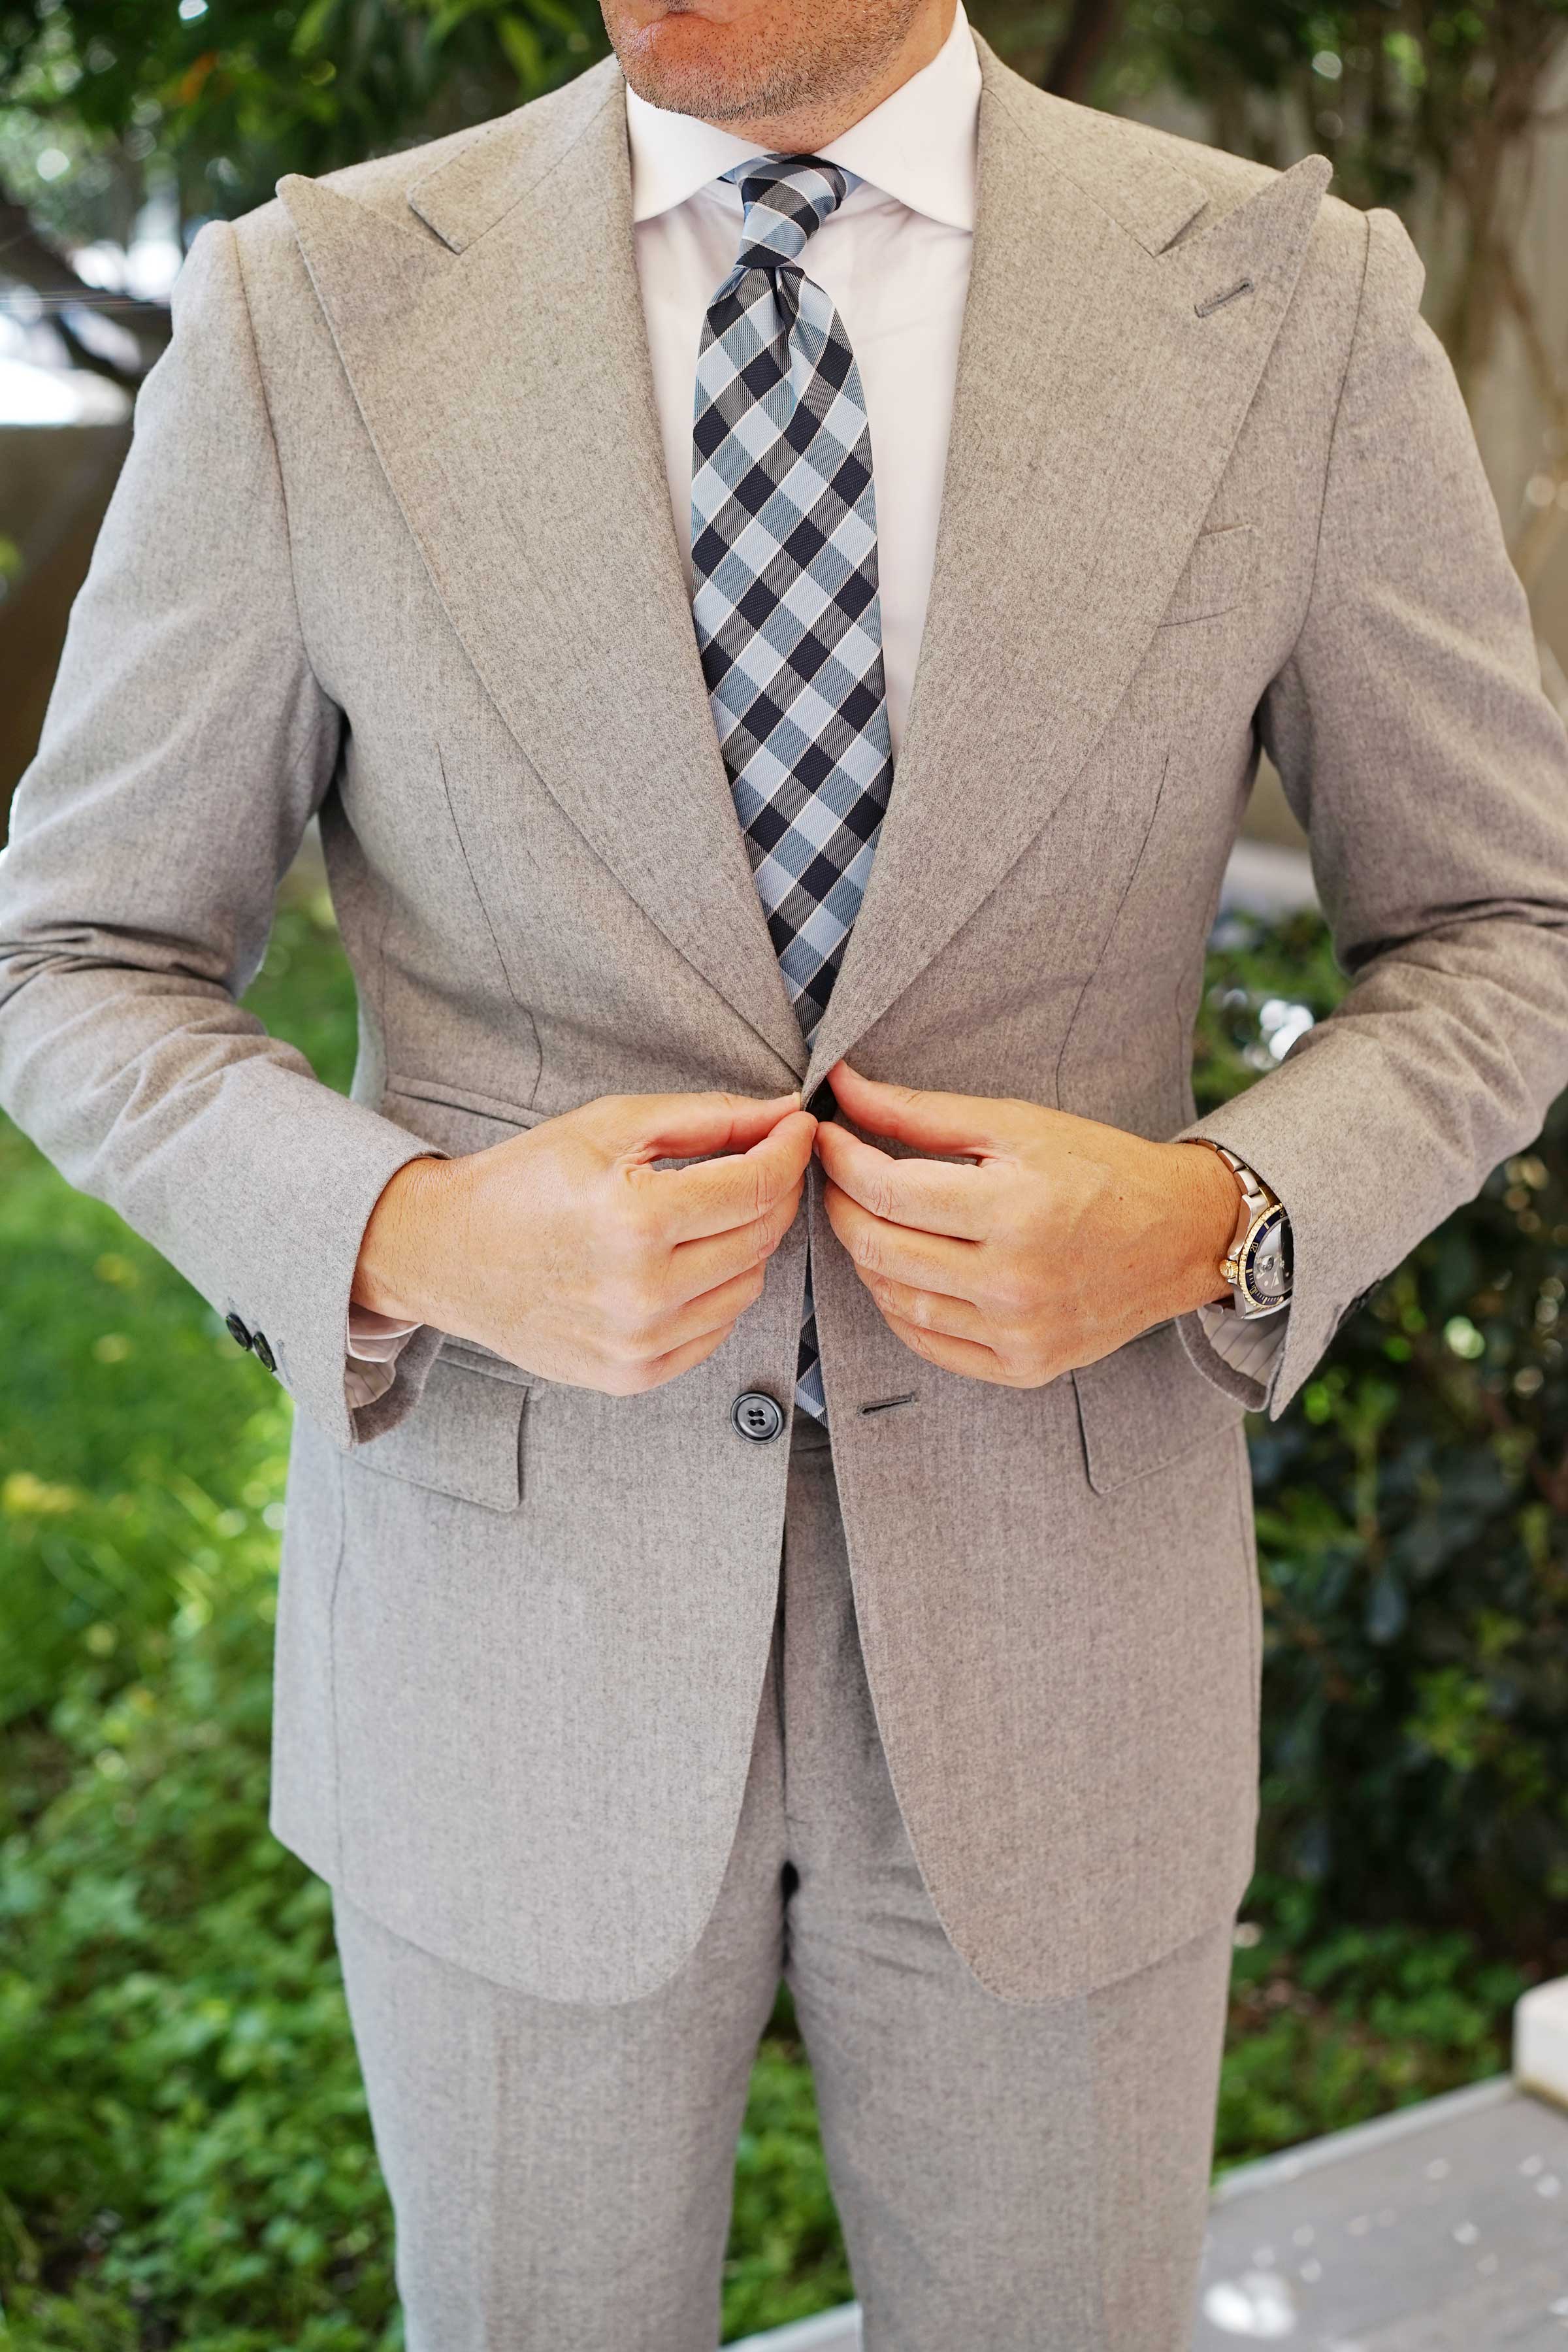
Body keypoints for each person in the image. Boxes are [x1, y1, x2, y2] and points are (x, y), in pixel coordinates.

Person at [4, 0, 1568, 2341]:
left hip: (1073, 1652)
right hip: (506, 1665)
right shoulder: (307, 305)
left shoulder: (1288, 302)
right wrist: (414, 1236)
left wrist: (1213, 1217)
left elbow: (1501, 930)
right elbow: (79, 956)